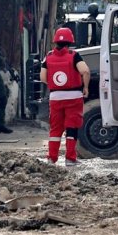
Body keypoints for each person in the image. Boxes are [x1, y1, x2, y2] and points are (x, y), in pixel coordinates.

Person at [40, 27, 91, 165]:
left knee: (55, 128)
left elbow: (43, 77)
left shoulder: (48, 56)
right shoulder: (74, 55)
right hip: (73, 97)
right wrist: (85, 87)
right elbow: (85, 71)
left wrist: (54, 87)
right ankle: (70, 159)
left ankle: (51, 158)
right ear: (70, 41)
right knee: (72, 127)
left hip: (55, 98)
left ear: (55, 40)